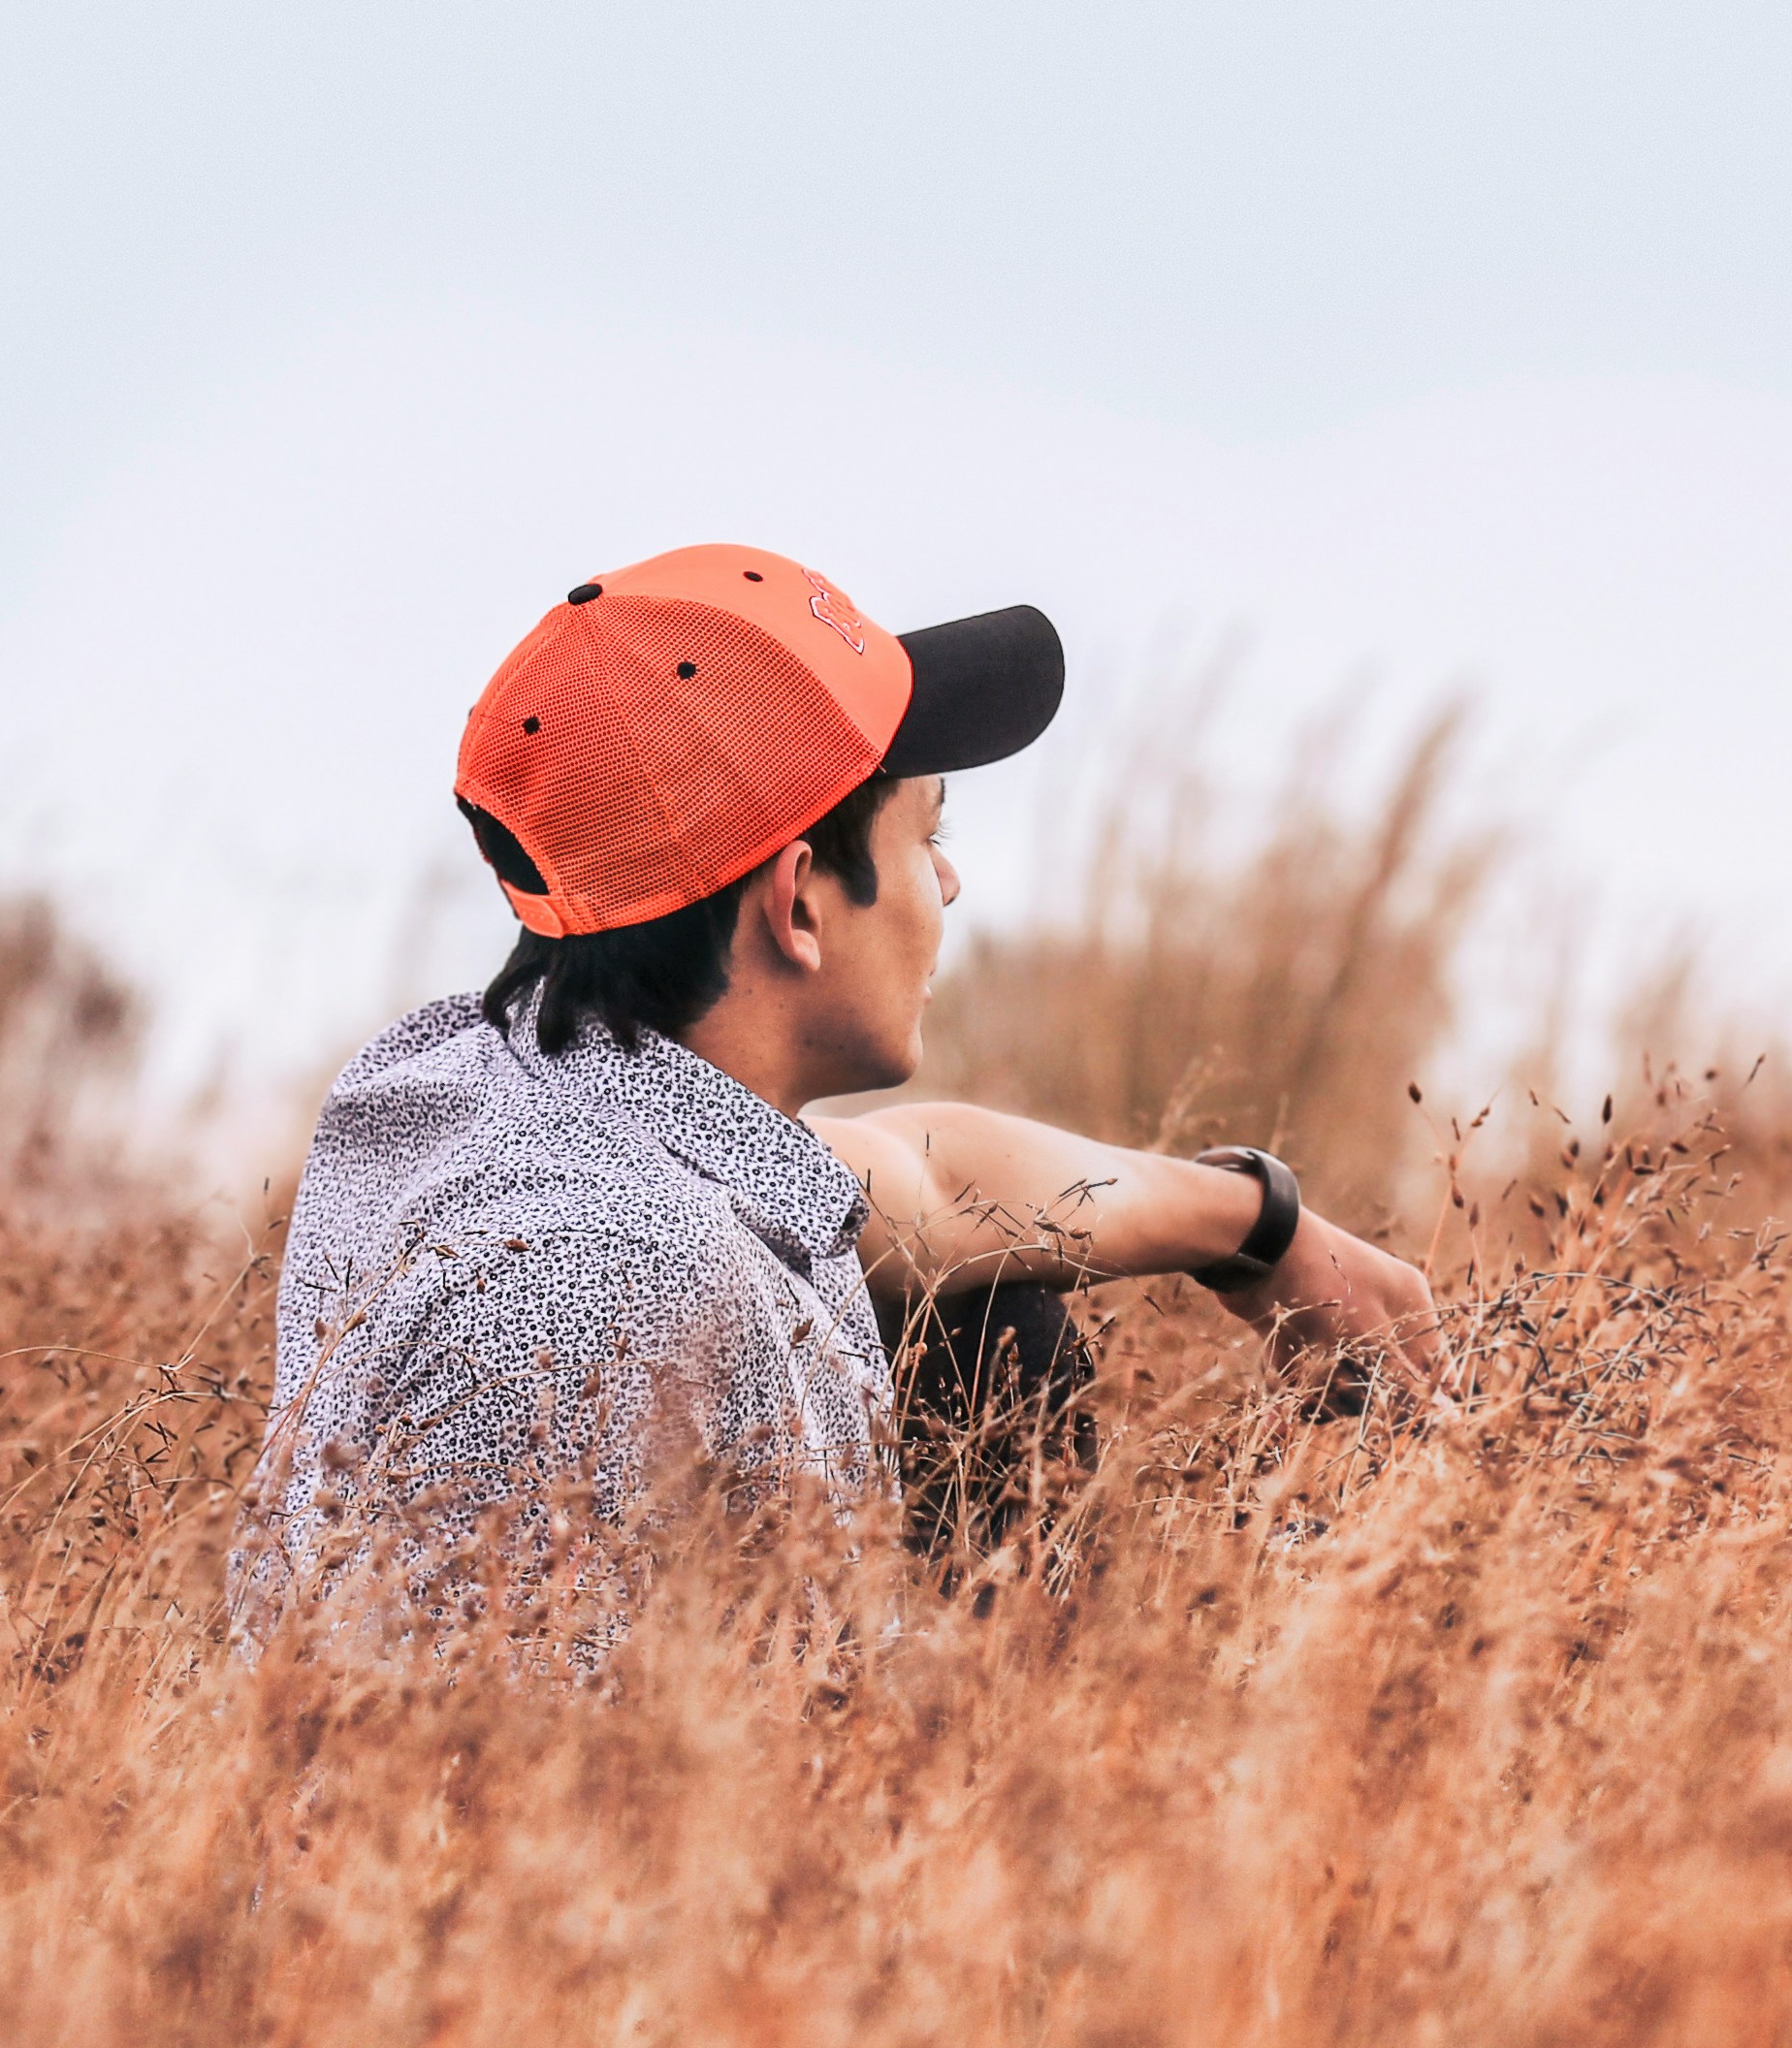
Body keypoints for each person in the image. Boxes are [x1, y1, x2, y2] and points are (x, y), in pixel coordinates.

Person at [240, 542, 1437, 1633]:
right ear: (800, 900)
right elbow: (486, 1812)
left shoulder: (477, 1088)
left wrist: (1257, 1227)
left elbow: (931, 1184)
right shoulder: (607, 1279)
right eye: (928, 837)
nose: (951, 887)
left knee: (981, 1323)